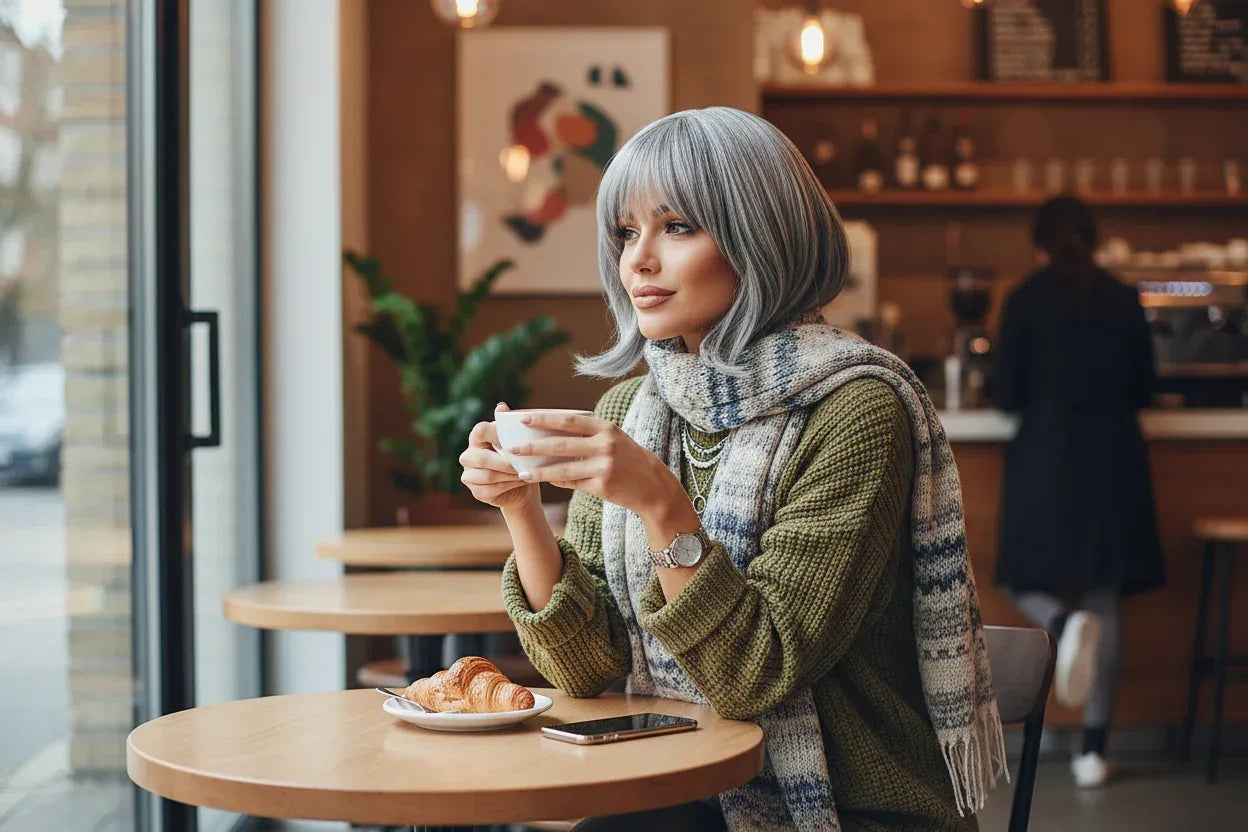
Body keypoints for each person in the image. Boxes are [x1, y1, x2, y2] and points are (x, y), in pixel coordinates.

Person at [461, 107, 1006, 832]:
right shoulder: (635, 407)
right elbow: (585, 669)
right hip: (680, 781)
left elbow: (758, 672)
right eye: (626, 232)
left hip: (852, 805)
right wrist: (522, 509)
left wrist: (661, 504)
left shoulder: (857, 412)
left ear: (762, 236)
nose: (639, 260)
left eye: (677, 226)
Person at [994, 196, 1164, 789]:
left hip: (1047, 451)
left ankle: (1063, 626)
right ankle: (1095, 752)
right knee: (1106, 594)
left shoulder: (1024, 298)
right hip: (1114, 454)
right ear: (1093, 240)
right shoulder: (1121, 298)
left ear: (1039, 244)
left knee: (1020, 578)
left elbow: (1006, 393)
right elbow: (1145, 385)